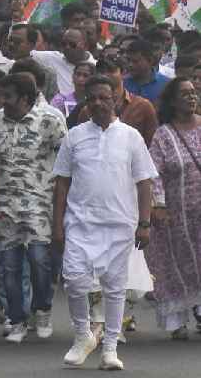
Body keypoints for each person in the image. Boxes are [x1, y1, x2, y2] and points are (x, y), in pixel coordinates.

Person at [51, 75, 157, 370]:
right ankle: (84, 335)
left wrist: (145, 223)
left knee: (114, 288)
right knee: (74, 280)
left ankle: (110, 348)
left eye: (103, 97)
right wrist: (57, 224)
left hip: (120, 223)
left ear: (115, 100)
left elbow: (145, 182)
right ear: (86, 102)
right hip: (80, 223)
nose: (97, 103)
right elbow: (62, 183)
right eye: (91, 98)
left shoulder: (130, 136)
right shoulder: (74, 136)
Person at [0, 73, 66, 343]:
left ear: (26, 98)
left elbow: (67, 157)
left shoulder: (50, 121)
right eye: (1, 95)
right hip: (5, 205)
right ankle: (16, 320)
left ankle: (42, 310)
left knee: (41, 261)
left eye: (8, 96)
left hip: (40, 203)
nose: (2, 100)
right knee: (9, 267)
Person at [147, 77, 201, 339]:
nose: (191, 97)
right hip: (176, 218)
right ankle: (176, 321)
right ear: (172, 101)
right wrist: (158, 206)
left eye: (193, 92)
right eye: (184, 94)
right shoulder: (163, 135)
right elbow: (153, 174)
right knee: (176, 266)